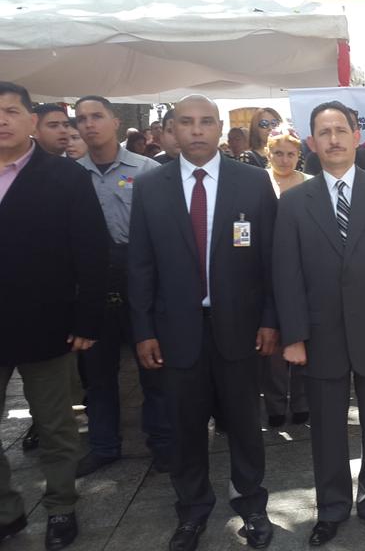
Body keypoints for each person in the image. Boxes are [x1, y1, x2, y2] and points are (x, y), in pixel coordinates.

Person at [128, 95, 279, 551]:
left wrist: (271, 320)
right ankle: (192, 511)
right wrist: (144, 330)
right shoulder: (150, 187)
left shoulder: (253, 183)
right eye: (186, 122)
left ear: (219, 129)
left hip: (239, 327)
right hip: (175, 333)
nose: (196, 131)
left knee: (245, 425)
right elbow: (140, 265)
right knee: (185, 427)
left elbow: (271, 261)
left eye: (206, 122)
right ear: (171, 129)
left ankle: (251, 504)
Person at [274, 100, 365, 544]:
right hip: (320, 335)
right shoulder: (295, 202)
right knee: (328, 431)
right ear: (311, 143)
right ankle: (332, 508)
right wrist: (294, 335)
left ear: (357, 136)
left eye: (341, 130)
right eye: (324, 132)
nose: (333, 139)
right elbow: (286, 273)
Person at [0, 82, 107, 550]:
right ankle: (7, 511)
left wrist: (87, 321)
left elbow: (92, 253)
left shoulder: (65, 177)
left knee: (55, 425)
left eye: (10, 111)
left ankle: (61, 507)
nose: (1, 120)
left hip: (47, 324)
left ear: (30, 120)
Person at [72, 95, 173, 479]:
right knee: (97, 372)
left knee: (153, 367)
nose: (89, 124)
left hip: (141, 276)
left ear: (115, 122)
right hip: (93, 281)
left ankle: (163, 443)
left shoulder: (148, 170)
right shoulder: (70, 175)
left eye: (97, 116)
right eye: (81, 119)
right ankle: (103, 446)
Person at [261, 127, 311, 427]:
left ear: (298, 156)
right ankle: (276, 402)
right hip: (267, 268)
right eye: (278, 153)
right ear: (269, 153)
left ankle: (303, 399)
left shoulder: (309, 183)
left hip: (303, 267)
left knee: (304, 334)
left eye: (290, 153)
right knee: (274, 343)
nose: (284, 159)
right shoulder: (258, 182)